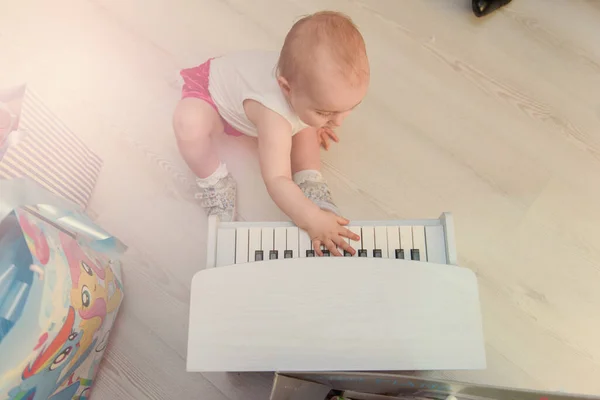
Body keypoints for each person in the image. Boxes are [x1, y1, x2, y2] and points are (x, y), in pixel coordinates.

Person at [173, 11, 369, 256]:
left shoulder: (305, 84)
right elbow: (277, 181)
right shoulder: (275, 116)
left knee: (306, 125)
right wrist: (311, 218)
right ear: (286, 88)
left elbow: (314, 108)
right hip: (214, 100)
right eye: (327, 113)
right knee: (188, 125)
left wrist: (321, 120)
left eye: (349, 109)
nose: (338, 122)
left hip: (263, 105)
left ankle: (309, 181)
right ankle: (215, 181)